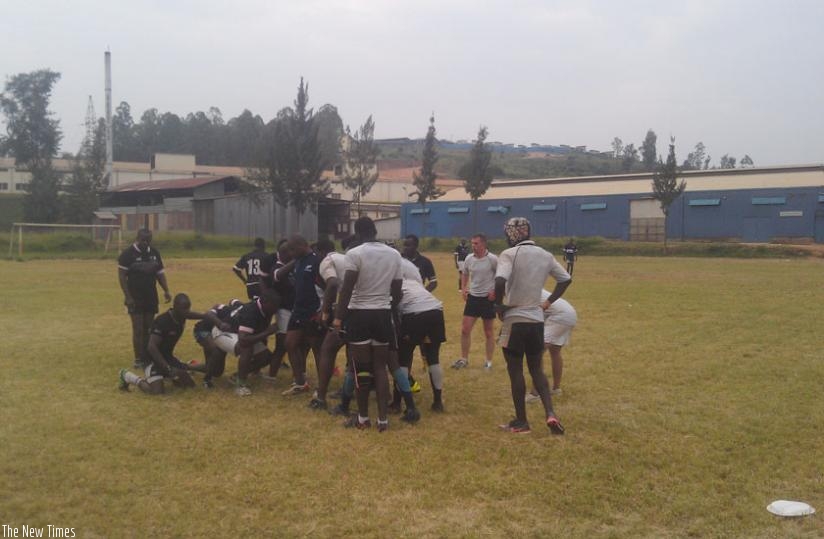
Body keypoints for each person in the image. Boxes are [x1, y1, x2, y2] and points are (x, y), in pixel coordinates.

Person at [494, 217, 571, 435]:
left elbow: (500, 281)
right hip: (537, 320)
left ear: (511, 234)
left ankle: (521, 422)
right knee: (537, 368)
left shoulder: (509, 254)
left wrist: (498, 307)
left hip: (514, 320)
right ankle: (550, 413)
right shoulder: (545, 255)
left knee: (515, 369)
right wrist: (547, 303)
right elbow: (565, 279)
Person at [334, 217, 411, 431]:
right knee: (380, 367)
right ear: (375, 231)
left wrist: (338, 319)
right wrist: (386, 305)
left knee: (361, 369)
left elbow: (347, 289)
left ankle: (363, 418)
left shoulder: (354, 254)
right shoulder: (394, 254)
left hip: (360, 315)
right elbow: (397, 290)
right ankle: (383, 420)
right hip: (382, 315)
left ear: (358, 233)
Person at [118, 293, 223, 394]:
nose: (186, 312)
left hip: (168, 358)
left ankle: (184, 367)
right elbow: (151, 347)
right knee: (156, 391)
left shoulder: (182, 315)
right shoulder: (162, 321)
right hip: (151, 360)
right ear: (175, 306)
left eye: (188, 308)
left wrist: (211, 316)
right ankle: (128, 376)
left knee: (189, 386)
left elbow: (195, 315)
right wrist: (167, 368)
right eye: (184, 309)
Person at [279, 235, 330, 396]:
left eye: (293, 250)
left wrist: (323, 310)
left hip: (313, 311)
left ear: (303, 245)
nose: (291, 254)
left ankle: (321, 387)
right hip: (298, 310)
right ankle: (300, 382)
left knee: (317, 349)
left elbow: (327, 286)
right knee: (290, 343)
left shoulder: (317, 261)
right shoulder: (298, 261)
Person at [394, 258, 447, 412]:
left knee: (402, 360)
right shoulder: (416, 283)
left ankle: (397, 402)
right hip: (436, 310)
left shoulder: (394, 285)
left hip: (414, 314)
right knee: (433, 358)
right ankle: (437, 401)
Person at [210, 289, 281, 396]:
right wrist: (267, 332)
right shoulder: (251, 312)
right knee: (247, 348)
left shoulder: (265, 309)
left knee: (266, 357)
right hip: (221, 333)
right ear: (265, 302)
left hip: (239, 333)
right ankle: (240, 385)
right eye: (274, 305)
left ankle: (238, 375)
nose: (277, 309)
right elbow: (244, 340)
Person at [118, 229, 171, 370]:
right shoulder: (127, 254)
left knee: (149, 328)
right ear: (137, 238)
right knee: (138, 329)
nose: (145, 243)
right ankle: (138, 359)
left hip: (151, 296)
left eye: (148, 240)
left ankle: (148, 356)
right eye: (143, 240)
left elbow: (160, 274)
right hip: (135, 297)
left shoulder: (154, 253)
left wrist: (166, 290)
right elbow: (122, 277)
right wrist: (128, 296)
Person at [452, 234, 497, 370]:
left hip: (487, 300)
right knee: (465, 330)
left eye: (476, 243)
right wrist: (464, 288)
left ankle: (488, 362)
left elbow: (501, 276)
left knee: (488, 332)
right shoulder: (469, 258)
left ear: (483, 244)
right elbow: (465, 273)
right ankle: (464, 359)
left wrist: (494, 291)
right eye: (472, 243)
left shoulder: (492, 259)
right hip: (473, 298)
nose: (473, 246)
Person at [527, 290, 577, 402]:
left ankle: (535, 393)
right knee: (555, 351)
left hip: (560, 316)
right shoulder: (534, 287)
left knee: (536, 352)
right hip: (569, 313)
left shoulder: (525, 292)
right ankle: (556, 389)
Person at [260, 240, 294, 378]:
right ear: (283, 254)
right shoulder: (277, 267)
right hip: (284, 310)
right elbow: (278, 276)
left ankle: (299, 375)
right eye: (289, 251)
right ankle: (271, 375)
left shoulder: (294, 266)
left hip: (296, 309)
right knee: (281, 344)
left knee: (296, 344)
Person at [192, 298, 243, 389]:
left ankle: (189, 366)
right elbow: (210, 312)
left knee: (217, 372)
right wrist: (220, 323)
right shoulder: (235, 313)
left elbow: (233, 300)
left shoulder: (245, 312)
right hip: (204, 330)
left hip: (220, 332)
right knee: (217, 351)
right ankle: (206, 380)